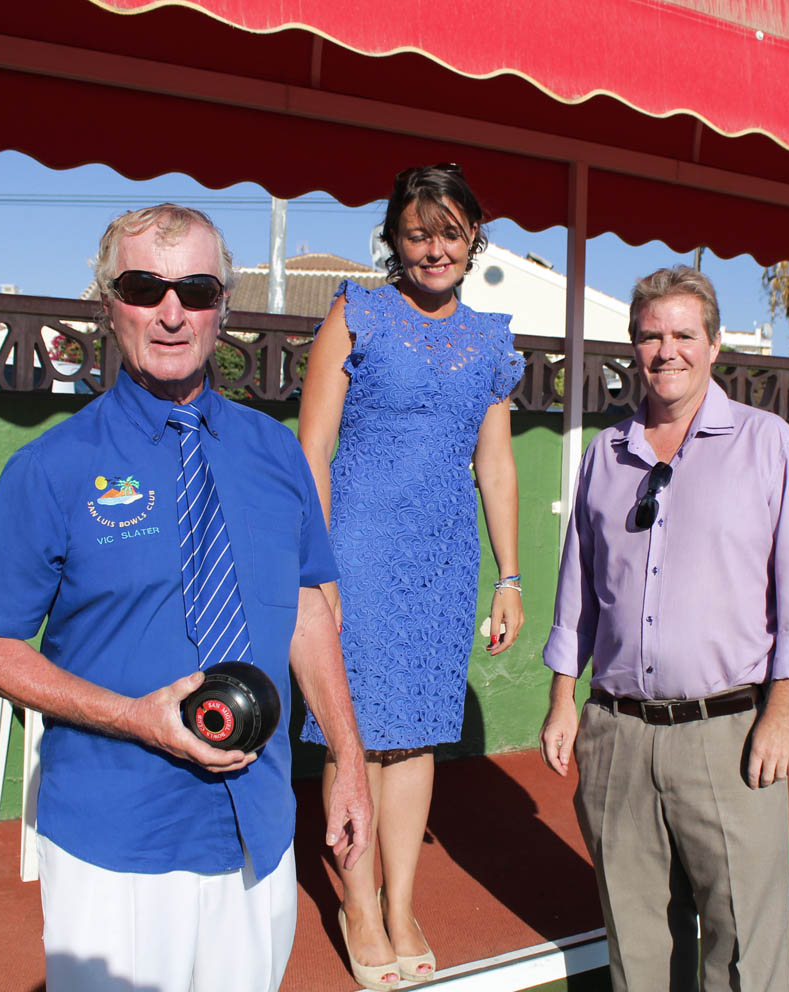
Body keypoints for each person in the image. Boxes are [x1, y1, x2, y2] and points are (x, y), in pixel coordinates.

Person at [0, 203, 372, 992]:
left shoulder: (276, 453)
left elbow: (309, 607)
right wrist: (133, 717)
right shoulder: (52, 468)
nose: (172, 312)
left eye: (197, 289)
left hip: (258, 824)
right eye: (145, 287)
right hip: (119, 841)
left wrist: (347, 759)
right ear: (108, 303)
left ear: (225, 307)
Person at [539, 265, 789, 991]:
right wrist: (560, 700)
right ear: (633, 348)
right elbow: (579, 585)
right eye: (650, 335)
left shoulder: (768, 445)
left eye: (682, 334)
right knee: (636, 945)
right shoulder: (605, 457)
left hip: (728, 732)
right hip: (617, 733)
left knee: (744, 946)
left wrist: (784, 712)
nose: (665, 350)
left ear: (714, 346)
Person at [297, 164, 524, 988]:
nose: (434, 248)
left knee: (419, 735)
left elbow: (495, 468)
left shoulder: (493, 338)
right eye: (418, 232)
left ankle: (401, 906)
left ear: (473, 240)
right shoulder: (356, 314)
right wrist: (319, 569)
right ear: (394, 237)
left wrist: (510, 577)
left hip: (442, 561)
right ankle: (358, 907)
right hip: (353, 554)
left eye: (450, 232)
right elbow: (312, 449)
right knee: (352, 731)